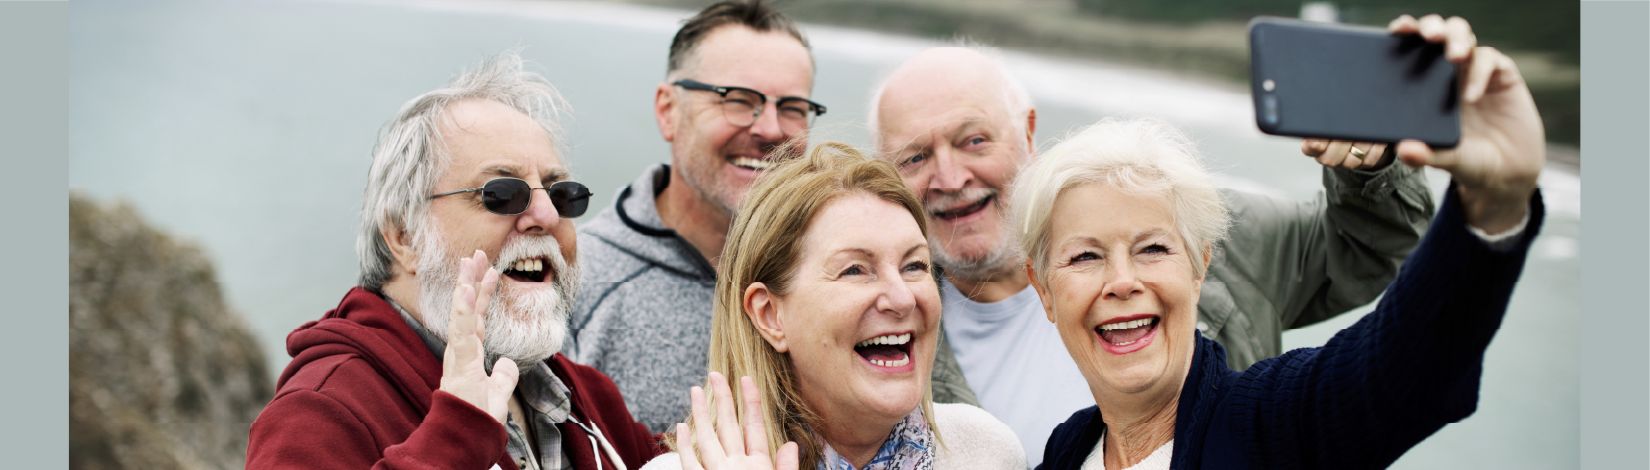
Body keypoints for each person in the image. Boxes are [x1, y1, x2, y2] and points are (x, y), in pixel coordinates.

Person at [869, 47, 1435, 464]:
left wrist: (1371, 160)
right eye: (915, 157)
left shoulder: (1196, 222)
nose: (949, 177)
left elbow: (1374, 249)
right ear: (1045, 289)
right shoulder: (883, 336)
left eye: (973, 141)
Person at [1025, 15, 1545, 469]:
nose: (1122, 281)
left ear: (1201, 264)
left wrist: (1492, 200)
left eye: (1154, 248)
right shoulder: (1067, 451)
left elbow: (1404, 365)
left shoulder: (1273, 423)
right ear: (1043, 290)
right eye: (1085, 256)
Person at [568, 0, 978, 434]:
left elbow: (944, 427)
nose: (768, 128)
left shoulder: (890, 282)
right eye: (738, 101)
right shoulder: (581, 282)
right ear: (669, 110)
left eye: (792, 108)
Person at [246, 52, 662, 470]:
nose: (548, 217)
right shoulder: (320, 415)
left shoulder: (588, 397)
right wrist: (456, 438)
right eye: (501, 194)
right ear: (404, 235)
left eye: (560, 194)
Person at [642, 142, 1025, 470]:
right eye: (855, 270)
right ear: (769, 315)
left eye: (914, 266)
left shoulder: (986, 450)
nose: (903, 297)